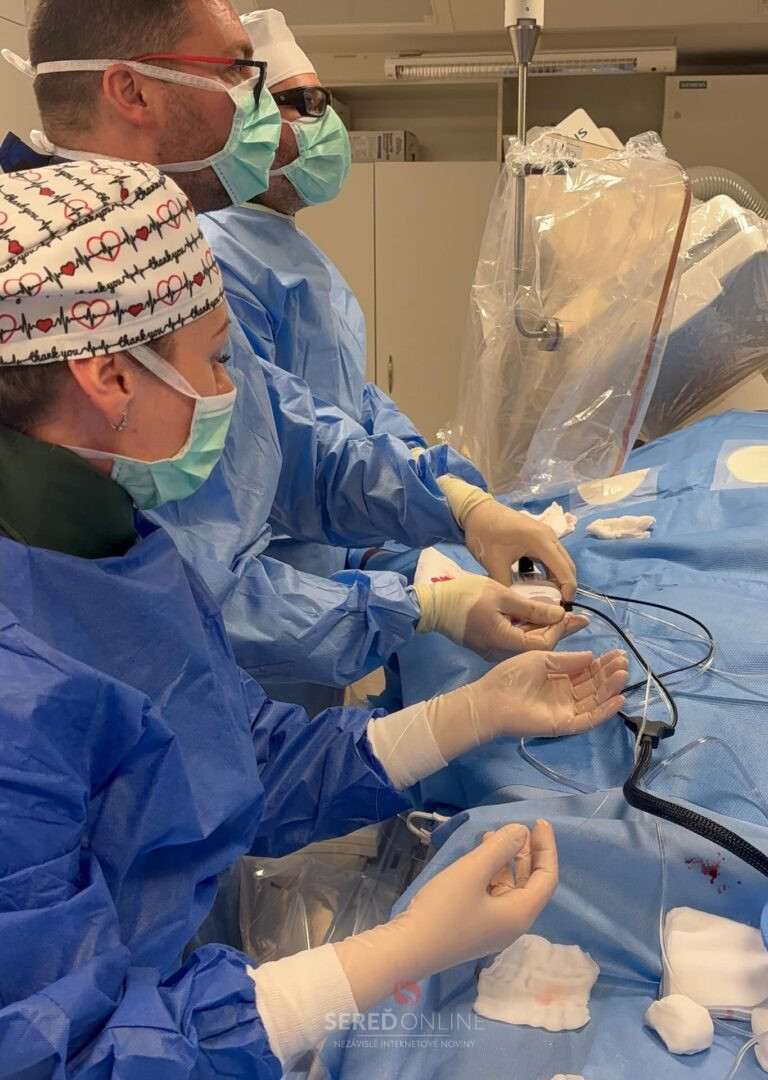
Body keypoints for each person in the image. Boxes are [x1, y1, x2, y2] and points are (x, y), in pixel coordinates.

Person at [0, 161, 629, 1074]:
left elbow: (230, 761)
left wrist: (469, 713)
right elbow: (67, 1051)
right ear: (108, 377)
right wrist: (397, 952)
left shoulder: (108, 542)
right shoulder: (20, 685)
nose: (232, 392)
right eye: (218, 359)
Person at [1, 0, 581, 716]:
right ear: (132, 90)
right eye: (235, 72)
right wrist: (417, 605)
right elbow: (176, 588)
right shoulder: (67, 281)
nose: (260, 108)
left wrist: (457, 504)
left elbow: (279, 422)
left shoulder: (157, 234)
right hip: (175, 703)